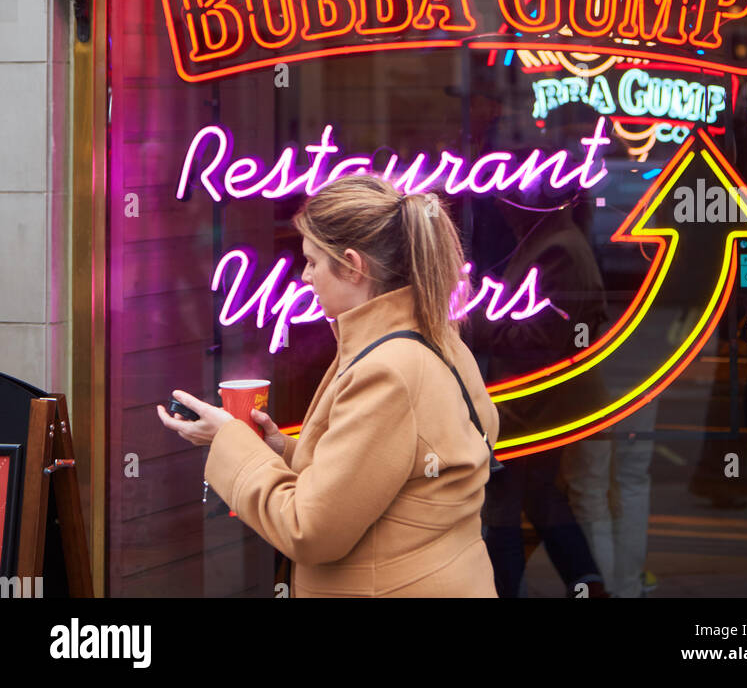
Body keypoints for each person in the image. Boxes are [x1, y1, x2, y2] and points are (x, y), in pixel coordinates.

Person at [157, 174, 499, 598]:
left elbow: (311, 529)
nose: (304, 277)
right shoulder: (434, 336)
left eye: (313, 262)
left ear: (354, 267)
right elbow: (390, 472)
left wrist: (229, 440)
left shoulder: (386, 370)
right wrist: (283, 450)